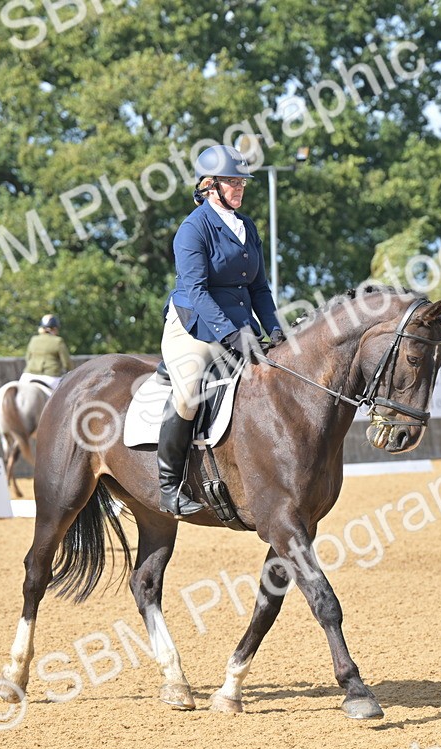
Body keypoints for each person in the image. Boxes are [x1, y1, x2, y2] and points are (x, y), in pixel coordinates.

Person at [157, 144, 287, 517]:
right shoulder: (192, 229)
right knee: (189, 389)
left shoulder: (246, 226)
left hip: (239, 326)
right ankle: (169, 485)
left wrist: (275, 330)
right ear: (210, 186)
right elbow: (196, 292)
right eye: (232, 181)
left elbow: (259, 288)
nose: (240, 187)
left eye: (242, 181)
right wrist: (231, 334)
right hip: (194, 326)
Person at [21, 314, 73, 388]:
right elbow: (67, 363)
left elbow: (27, 358)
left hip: (28, 376)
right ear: (55, 329)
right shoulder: (58, 341)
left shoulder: (34, 339)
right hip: (51, 377)